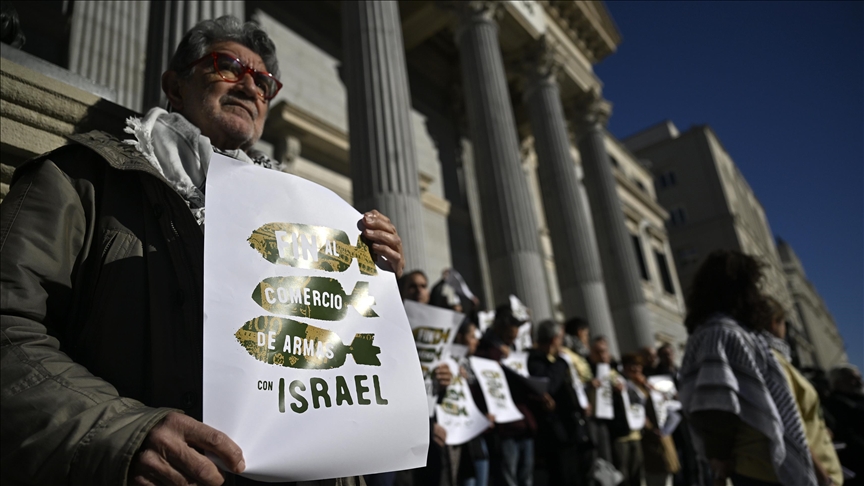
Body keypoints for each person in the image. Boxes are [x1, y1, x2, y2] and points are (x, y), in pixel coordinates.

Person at [1, 16, 407, 486]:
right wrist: (121, 433)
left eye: (264, 82)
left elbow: (326, 368)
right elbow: (11, 329)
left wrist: (371, 289)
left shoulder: (307, 223)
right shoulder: (80, 180)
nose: (250, 86)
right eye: (228, 66)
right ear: (174, 84)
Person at [678, 250, 816, 486]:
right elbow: (716, 405)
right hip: (755, 465)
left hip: (766, 463)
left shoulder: (740, 334)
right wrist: (719, 459)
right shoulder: (719, 334)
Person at [763, 297, 843, 486]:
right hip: (812, 474)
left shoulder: (778, 359)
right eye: (784, 323)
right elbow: (788, 423)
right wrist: (822, 476)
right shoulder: (773, 361)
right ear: (774, 323)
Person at [475, 304, 537, 486]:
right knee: (508, 477)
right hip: (505, 427)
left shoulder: (516, 351)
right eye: (510, 336)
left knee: (526, 476)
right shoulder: (485, 351)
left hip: (524, 421)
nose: (513, 339)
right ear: (499, 328)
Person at [527, 320, 586, 486]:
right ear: (554, 339)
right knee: (562, 475)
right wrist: (561, 362)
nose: (562, 341)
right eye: (560, 337)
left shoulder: (552, 361)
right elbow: (550, 385)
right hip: (554, 432)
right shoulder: (537, 361)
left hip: (569, 428)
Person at [621, 354, 679, 486]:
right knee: (655, 473)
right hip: (648, 436)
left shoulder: (649, 384)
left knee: (667, 471)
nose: (636, 369)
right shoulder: (627, 387)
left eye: (638, 366)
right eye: (632, 366)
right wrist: (649, 427)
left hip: (663, 432)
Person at [823, 365, 864, 485]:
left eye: (859, 378)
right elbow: (846, 434)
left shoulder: (859, 400)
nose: (859, 382)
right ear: (838, 382)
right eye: (852, 378)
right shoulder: (834, 404)